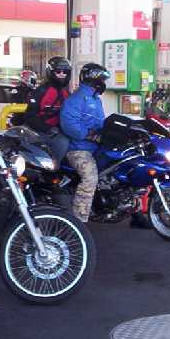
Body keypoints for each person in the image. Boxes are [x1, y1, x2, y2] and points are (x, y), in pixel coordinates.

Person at [60, 63, 109, 223]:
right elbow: (69, 124)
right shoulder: (76, 99)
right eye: (102, 79)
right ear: (93, 80)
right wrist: (90, 135)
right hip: (79, 150)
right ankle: (79, 221)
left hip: (97, 148)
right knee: (90, 178)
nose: (103, 83)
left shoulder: (96, 100)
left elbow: (101, 124)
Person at [23, 56, 73, 162]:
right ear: (51, 72)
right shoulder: (41, 91)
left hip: (58, 130)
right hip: (37, 130)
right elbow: (30, 116)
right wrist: (47, 129)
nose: (62, 74)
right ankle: (53, 168)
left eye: (65, 72)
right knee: (62, 142)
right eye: (58, 72)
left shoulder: (67, 93)